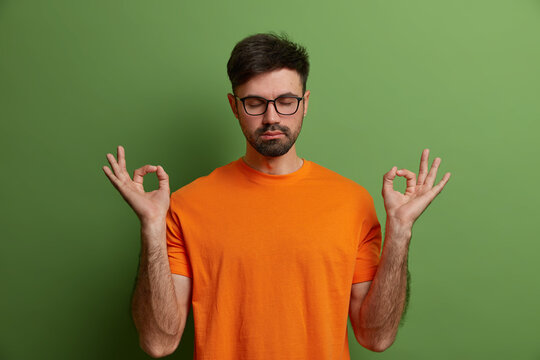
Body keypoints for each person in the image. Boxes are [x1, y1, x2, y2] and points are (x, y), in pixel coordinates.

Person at [102, 33, 451, 359]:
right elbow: (159, 342)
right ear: (234, 105)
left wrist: (401, 230)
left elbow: (376, 337)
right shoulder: (186, 205)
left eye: (285, 101)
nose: (271, 117)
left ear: (305, 103)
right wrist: (151, 227)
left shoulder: (352, 203)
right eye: (255, 103)